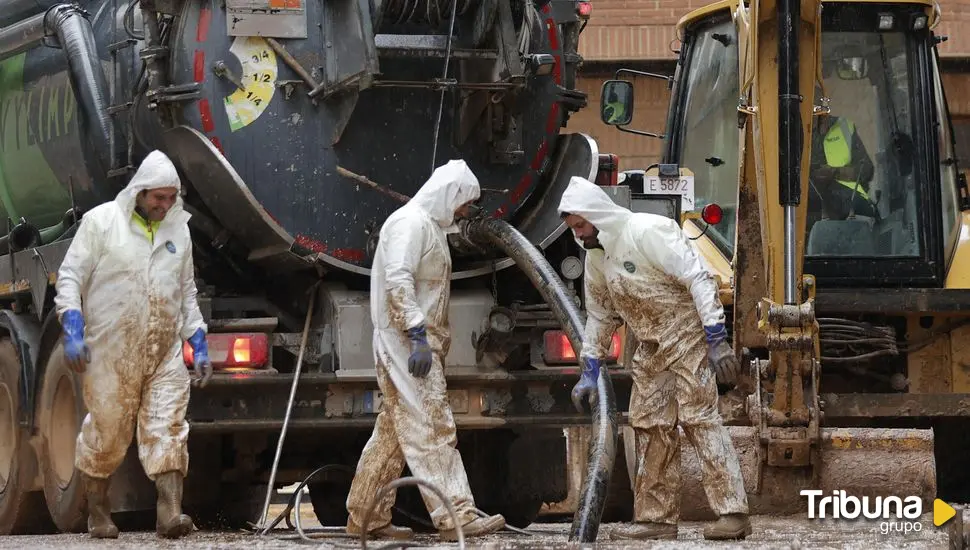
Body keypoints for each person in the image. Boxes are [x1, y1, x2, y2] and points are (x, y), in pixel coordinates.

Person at [558, 176, 751, 541]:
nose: (579, 234)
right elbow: (601, 314)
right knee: (649, 424)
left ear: (597, 215)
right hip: (649, 344)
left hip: (687, 334)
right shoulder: (597, 257)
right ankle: (657, 518)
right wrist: (590, 366)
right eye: (574, 228)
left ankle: (733, 512)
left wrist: (715, 337)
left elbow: (698, 278)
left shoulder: (647, 232)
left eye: (581, 225)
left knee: (699, 418)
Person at [54, 150, 213, 539]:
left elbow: (186, 290)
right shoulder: (102, 223)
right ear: (139, 192)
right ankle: (98, 511)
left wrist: (198, 339)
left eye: (171, 198)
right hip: (110, 352)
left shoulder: (179, 231)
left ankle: (169, 512)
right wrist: (73, 329)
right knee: (107, 433)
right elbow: (70, 277)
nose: (164, 205)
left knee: (169, 425)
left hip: (163, 353)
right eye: (158, 198)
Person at [344, 159, 505, 542]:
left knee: (394, 433)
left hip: (415, 341)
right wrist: (416, 335)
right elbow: (397, 280)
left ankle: (364, 515)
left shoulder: (428, 227)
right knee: (432, 425)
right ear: (451, 196)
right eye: (465, 203)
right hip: (406, 343)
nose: (466, 211)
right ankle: (456, 516)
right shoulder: (409, 224)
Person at [809, 110, 876, 220]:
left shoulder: (844, 127)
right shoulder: (794, 134)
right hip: (812, 216)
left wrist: (836, 173)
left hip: (850, 209)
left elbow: (867, 170)